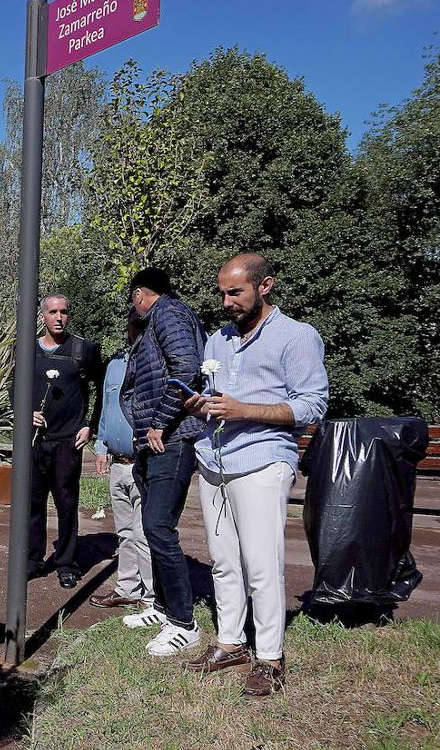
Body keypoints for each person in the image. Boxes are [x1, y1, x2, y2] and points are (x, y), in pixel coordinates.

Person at [182, 254, 327, 697]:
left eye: (236, 292)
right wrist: (199, 403)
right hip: (214, 458)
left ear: (265, 286)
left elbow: (312, 405)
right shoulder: (216, 341)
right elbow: (214, 395)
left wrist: (246, 410)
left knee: (261, 564)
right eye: (222, 292)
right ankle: (230, 643)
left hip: (264, 459)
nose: (226, 301)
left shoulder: (297, 336)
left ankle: (269, 657)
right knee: (224, 560)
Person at [119, 268, 207, 657]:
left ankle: (184, 624)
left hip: (172, 438)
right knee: (153, 528)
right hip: (155, 442)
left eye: (132, 298)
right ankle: (162, 607)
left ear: (141, 294)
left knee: (158, 526)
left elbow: (186, 369)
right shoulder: (160, 318)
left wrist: (158, 422)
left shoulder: (168, 313)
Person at [28, 294, 102, 589]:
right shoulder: (26, 349)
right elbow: (13, 387)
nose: (59, 317)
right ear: (42, 316)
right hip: (33, 442)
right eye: (53, 312)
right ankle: (32, 561)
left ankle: (66, 563)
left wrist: (90, 426)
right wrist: (24, 413)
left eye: (64, 312)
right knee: (32, 504)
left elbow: (103, 386)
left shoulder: (83, 349)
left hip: (67, 442)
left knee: (67, 504)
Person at [88, 310, 154, 610]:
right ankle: (127, 588)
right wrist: (101, 445)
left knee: (144, 533)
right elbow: (107, 408)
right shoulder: (114, 366)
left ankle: (153, 598)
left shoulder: (156, 366)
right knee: (125, 532)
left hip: (145, 463)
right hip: (117, 463)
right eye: (135, 325)